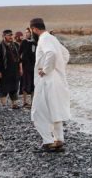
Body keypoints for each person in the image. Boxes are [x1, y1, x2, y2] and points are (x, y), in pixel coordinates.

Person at [29, 17, 71, 152]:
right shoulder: (52, 38)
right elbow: (65, 54)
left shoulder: (44, 39)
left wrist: (46, 70)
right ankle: (58, 139)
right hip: (56, 79)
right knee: (54, 109)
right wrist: (58, 68)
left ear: (34, 29)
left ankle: (47, 141)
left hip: (47, 80)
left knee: (38, 111)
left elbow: (51, 53)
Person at [0, 29, 22, 108]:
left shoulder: (16, 45)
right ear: (4, 36)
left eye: (11, 35)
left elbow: (19, 59)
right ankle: (3, 104)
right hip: (4, 71)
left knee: (14, 87)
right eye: (9, 35)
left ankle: (14, 104)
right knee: (3, 88)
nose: (11, 37)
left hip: (14, 71)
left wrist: (21, 69)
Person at [17, 30, 36, 108]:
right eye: (26, 32)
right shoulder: (24, 42)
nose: (26, 34)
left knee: (33, 84)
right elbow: (18, 54)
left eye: (28, 32)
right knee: (24, 84)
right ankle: (24, 102)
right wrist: (20, 66)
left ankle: (33, 102)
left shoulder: (35, 42)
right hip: (25, 67)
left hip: (34, 67)